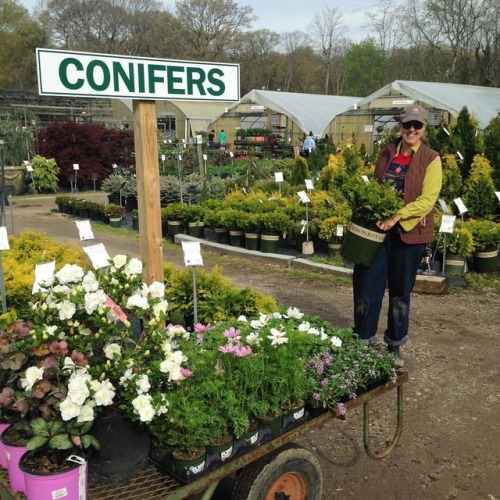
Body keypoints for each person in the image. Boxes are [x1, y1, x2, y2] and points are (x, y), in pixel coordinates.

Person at [352, 104, 442, 367]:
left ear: (424, 128)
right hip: (378, 232)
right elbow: (375, 186)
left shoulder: (431, 159)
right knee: (367, 286)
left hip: (408, 235)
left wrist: (397, 216)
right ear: (400, 126)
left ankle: (394, 343)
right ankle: (363, 339)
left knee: (401, 292)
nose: (411, 130)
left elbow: (427, 200)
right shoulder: (386, 152)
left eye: (417, 125)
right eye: (407, 125)